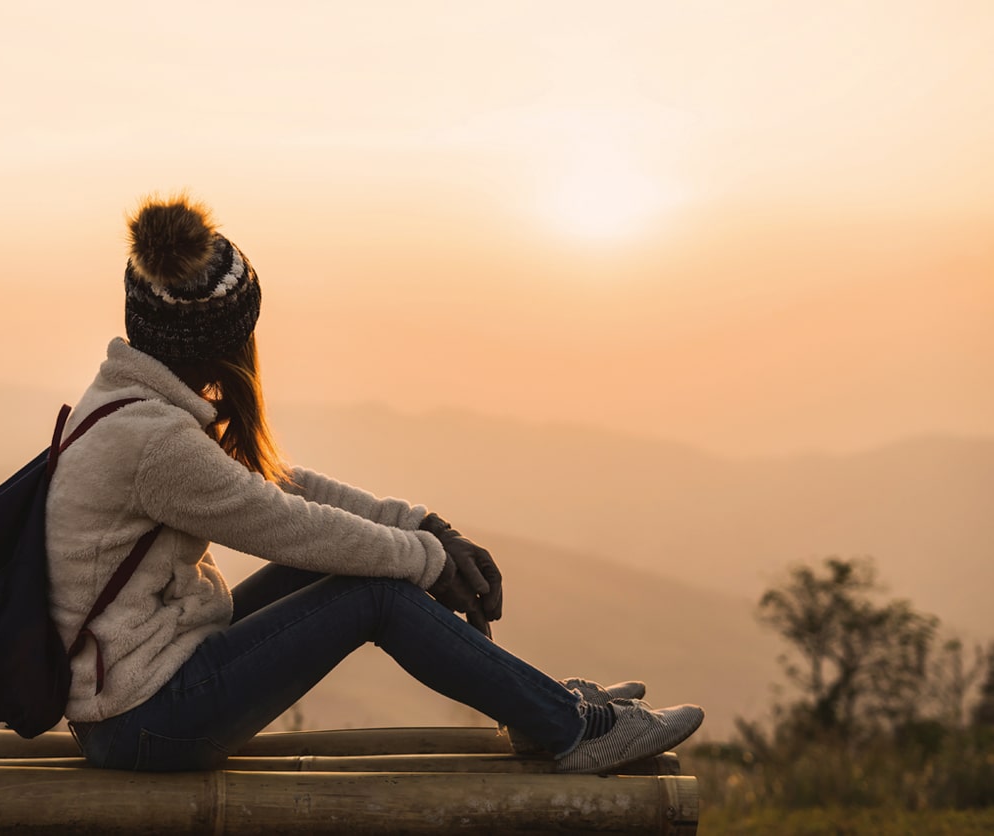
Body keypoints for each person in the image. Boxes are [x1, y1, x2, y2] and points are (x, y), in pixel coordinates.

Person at [46, 195, 703, 773]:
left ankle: (543, 711)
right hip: (146, 722)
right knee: (376, 596)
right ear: (224, 340)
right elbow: (287, 523)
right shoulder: (155, 442)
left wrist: (421, 528)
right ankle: (567, 730)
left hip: (144, 688)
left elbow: (282, 486)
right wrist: (428, 560)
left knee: (365, 569)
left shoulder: (132, 403)